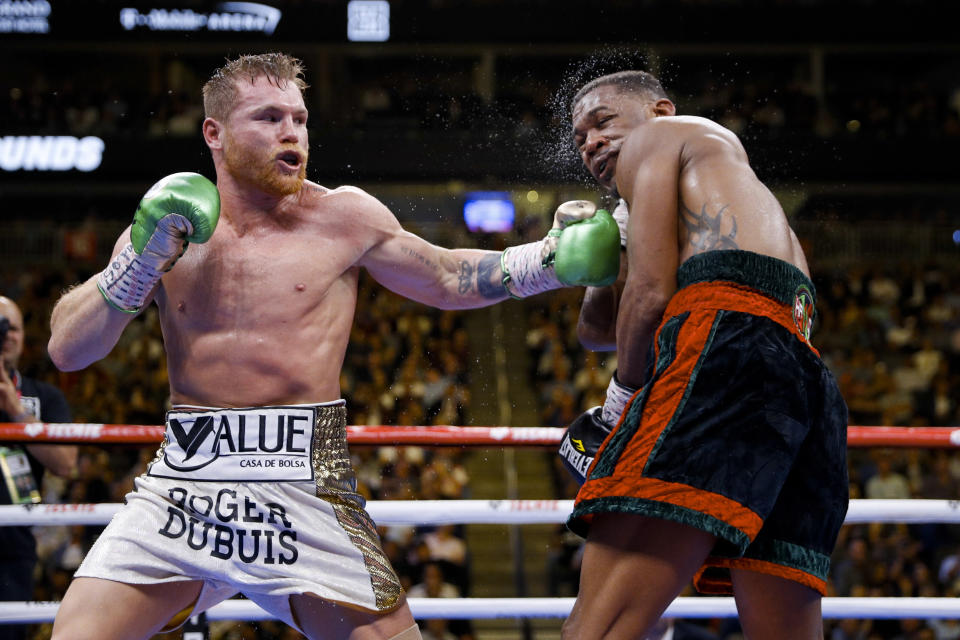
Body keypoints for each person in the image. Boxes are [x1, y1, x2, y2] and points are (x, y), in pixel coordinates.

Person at [45, 52, 620, 640]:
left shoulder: (341, 216)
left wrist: (547, 261)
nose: (291, 132)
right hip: (185, 483)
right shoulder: (167, 226)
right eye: (269, 117)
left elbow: (446, 276)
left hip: (303, 481)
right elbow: (67, 350)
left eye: (299, 118)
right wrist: (137, 268)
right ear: (213, 134)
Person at [558, 70, 849, 638]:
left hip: (726, 343)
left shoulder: (663, 137)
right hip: (801, 373)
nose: (590, 141)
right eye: (578, 137)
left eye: (602, 121)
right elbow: (595, 329)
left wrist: (620, 402)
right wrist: (602, 245)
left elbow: (650, 297)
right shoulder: (704, 180)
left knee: (595, 629)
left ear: (659, 111)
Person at [0, 296, 76, 640]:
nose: (4, 334)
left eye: (11, 327)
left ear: (22, 337)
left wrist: (17, 413)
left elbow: (66, 463)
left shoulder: (43, 397)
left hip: (13, 544)